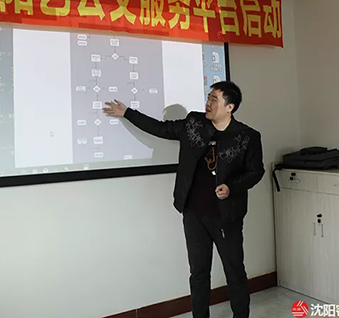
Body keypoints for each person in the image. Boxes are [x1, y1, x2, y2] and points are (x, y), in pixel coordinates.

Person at [103, 81, 264, 318]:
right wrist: (127, 113)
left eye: (214, 100)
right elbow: (161, 129)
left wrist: (231, 187)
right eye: (208, 97)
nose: (208, 103)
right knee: (198, 273)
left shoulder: (246, 136)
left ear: (230, 107)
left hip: (225, 216)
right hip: (193, 213)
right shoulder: (194, 124)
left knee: (234, 272)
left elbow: (255, 172)